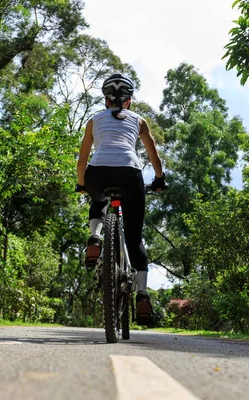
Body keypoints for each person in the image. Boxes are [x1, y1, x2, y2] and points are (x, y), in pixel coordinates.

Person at [75, 73, 168, 322]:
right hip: (130, 174)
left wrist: (82, 184)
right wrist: (159, 179)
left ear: (106, 100)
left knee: (98, 200)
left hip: (97, 174)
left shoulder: (94, 121)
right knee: (135, 237)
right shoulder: (139, 121)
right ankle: (143, 295)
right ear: (129, 101)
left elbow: (82, 160)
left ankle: (95, 237)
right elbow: (153, 156)